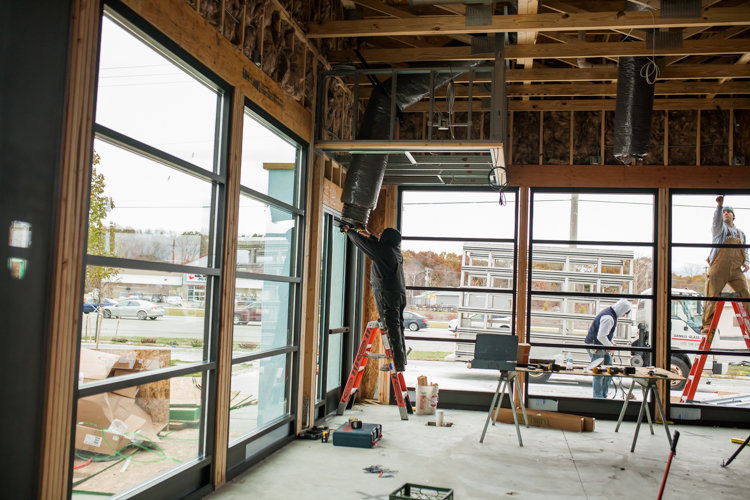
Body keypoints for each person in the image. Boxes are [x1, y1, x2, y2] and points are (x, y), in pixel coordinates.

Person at [343, 225, 408, 372]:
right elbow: (378, 245)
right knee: (398, 328)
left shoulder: (383, 251)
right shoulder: (395, 251)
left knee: (391, 328)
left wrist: (349, 231)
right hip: (399, 294)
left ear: (387, 238)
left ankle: (397, 364)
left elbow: (362, 243)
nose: (379, 235)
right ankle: (401, 360)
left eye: (381, 234)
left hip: (387, 295)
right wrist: (368, 233)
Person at [702, 196, 750, 333]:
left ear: (733, 216)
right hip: (718, 268)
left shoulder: (741, 234)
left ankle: (749, 324)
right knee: (712, 296)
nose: (726, 213)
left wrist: (746, 262)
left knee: (746, 293)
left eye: (728, 212)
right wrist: (719, 206)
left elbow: (745, 249)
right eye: (724, 212)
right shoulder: (720, 230)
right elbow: (715, 221)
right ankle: (706, 326)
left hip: (736, 269)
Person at [584, 298, 632, 399]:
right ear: (621, 309)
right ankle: (598, 398)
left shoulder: (610, 314)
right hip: (595, 346)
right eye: (624, 313)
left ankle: (603, 395)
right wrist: (610, 347)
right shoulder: (609, 318)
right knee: (599, 372)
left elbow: (605, 334)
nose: (624, 315)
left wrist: (611, 343)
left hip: (599, 345)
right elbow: (601, 336)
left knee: (609, 370)